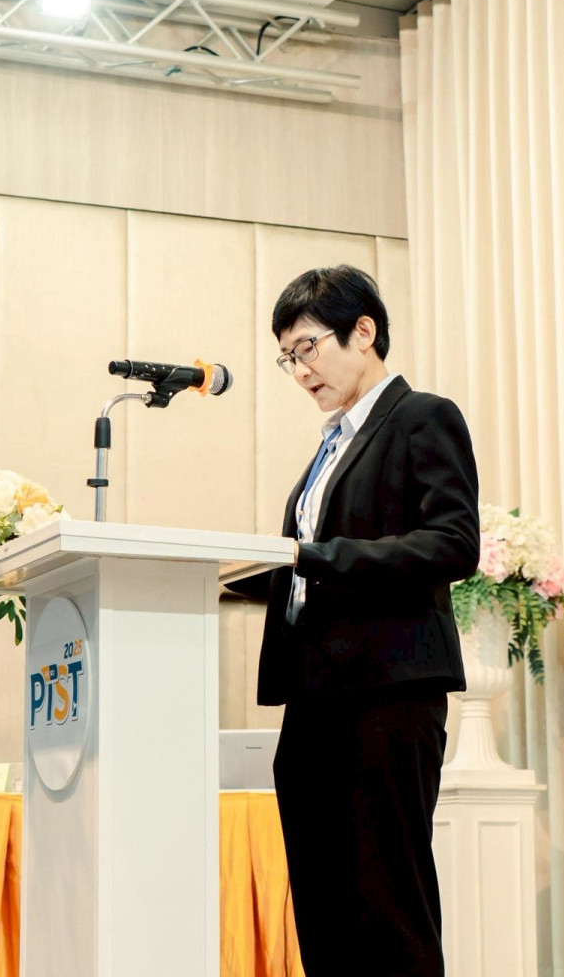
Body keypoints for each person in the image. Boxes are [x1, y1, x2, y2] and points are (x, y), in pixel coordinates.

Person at [226, 264, 480, 976]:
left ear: (363, 331)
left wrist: (312, 555)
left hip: (387, 693)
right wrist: (228, 578)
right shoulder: (330, 446)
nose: (300, 371)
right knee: (324, 904)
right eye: (288, 358)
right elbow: (311, 566)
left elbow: (453, 543)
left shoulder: (422, 417)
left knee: (387, 903)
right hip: (314, 699)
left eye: (307, 348)